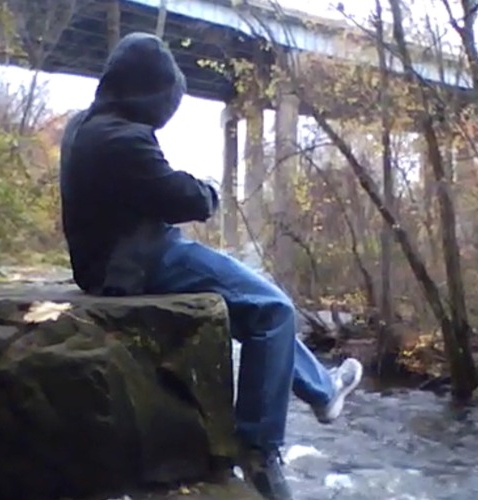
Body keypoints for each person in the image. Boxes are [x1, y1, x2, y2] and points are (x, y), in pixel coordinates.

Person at [60, 32, 363, 500]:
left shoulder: (83, 126)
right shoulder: (123, 139)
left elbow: (142, 190)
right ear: (151, 93)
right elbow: (184, 199)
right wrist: (208, 189)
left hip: (107, 261)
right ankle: (259, 451)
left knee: (256, 304)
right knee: (273, 310)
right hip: (137, 262)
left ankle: (323, 390)